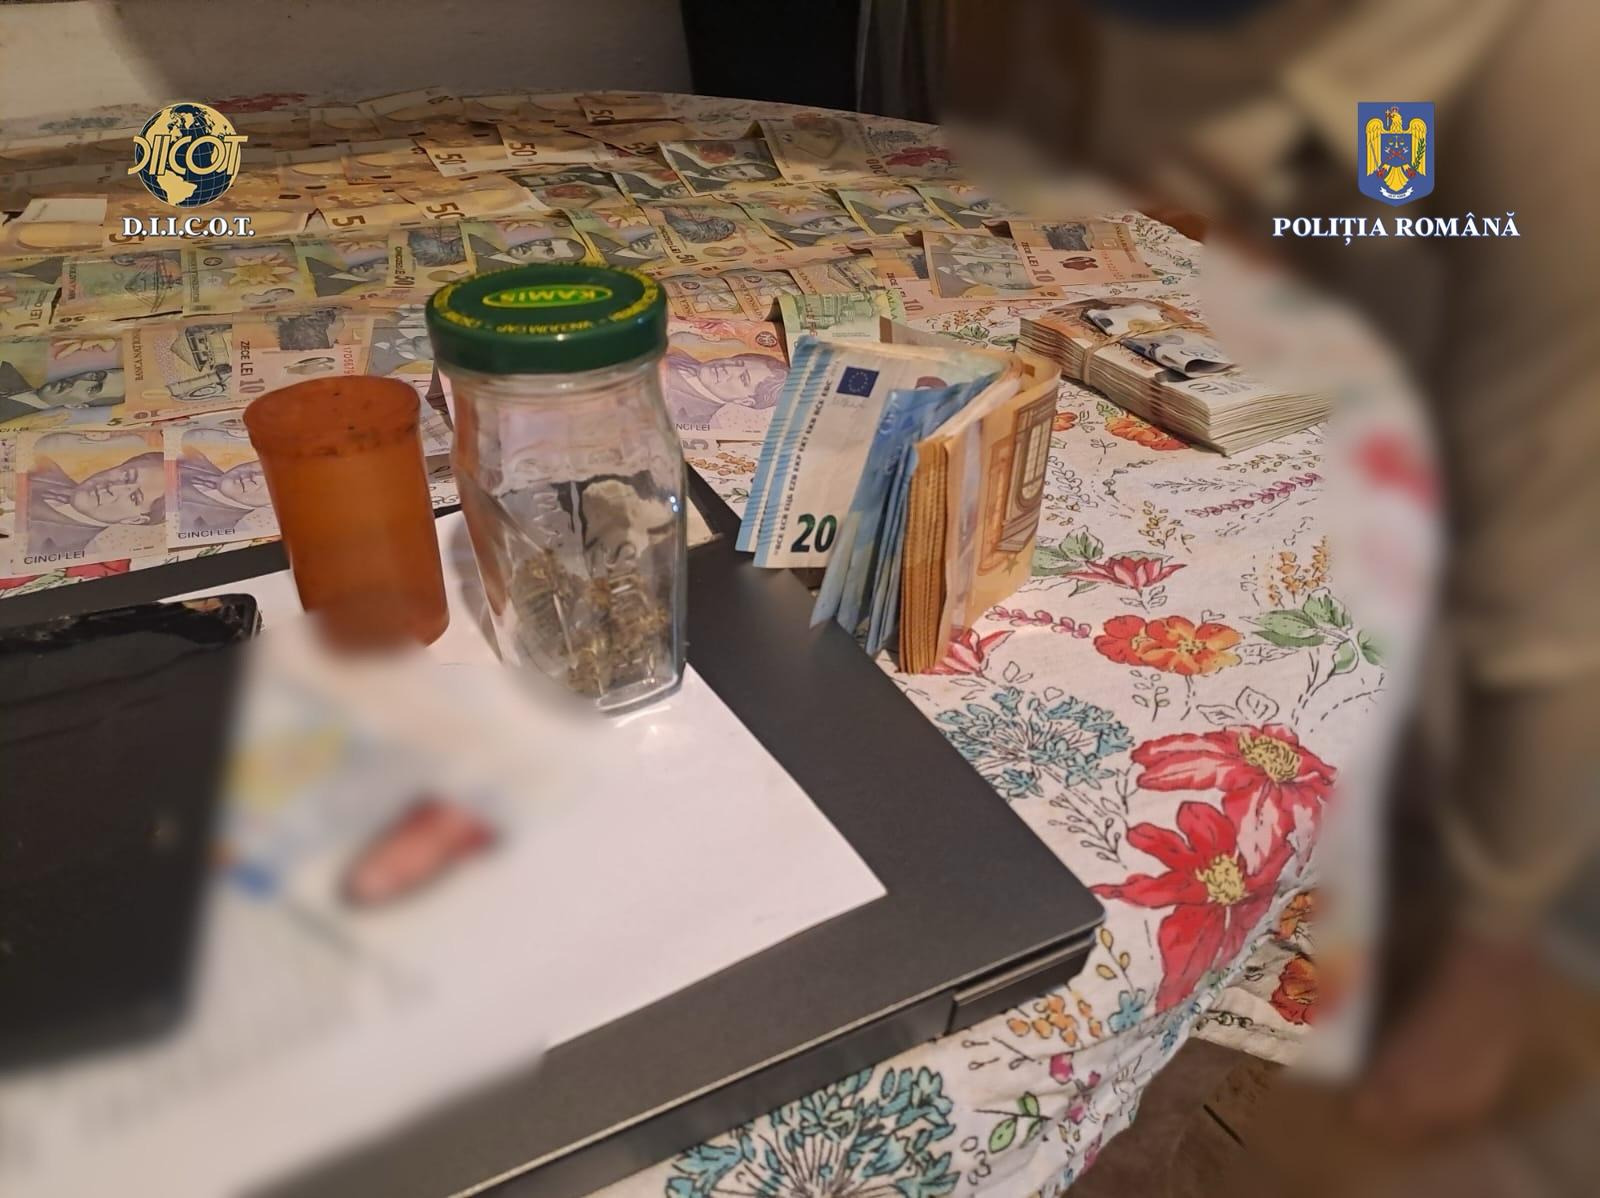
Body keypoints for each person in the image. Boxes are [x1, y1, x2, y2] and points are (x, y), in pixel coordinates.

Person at [24, 448, 164, 558]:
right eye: (127, 476)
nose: (113, 488)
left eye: (133, 497)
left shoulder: (57, 550)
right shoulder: (44, 467)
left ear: (135, 520)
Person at [661, 348, 787, 431]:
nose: (727, 368)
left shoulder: (689, 419)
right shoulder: (679, 354)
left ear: (744, 401)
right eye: (738, 362)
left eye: (742, 378)